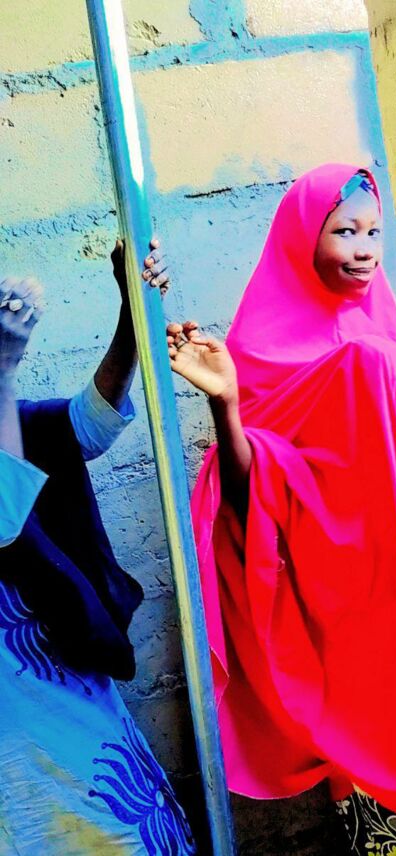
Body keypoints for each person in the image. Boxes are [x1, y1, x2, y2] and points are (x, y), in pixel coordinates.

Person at [167, 164, 396, 856]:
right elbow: (251, 498)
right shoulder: (259, 354)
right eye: (345, 232)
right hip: (336, 605)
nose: (365, 249)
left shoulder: (386, 331)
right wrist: (226, 403)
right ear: (303, 239)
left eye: (374, 231)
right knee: (378, 780)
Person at [0, 244, 196, 855]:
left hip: (73, 708)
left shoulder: (18, 423)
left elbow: (88, 425)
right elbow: (5, 518)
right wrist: (1, 372)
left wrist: (131, 316)